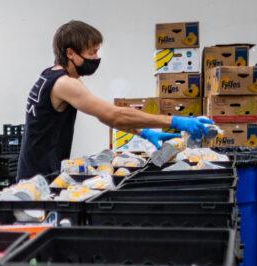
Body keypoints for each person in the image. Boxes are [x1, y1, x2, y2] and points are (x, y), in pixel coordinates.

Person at [17, 20, 213, 180]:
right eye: (91, 52)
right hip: (39, 179)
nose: (96, 58)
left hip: (33, 174)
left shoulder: (51, 76)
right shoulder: (65, 84)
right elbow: (114, 115)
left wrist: (143, 132)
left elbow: (104, 116)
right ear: (70, 53)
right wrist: (175, 121)